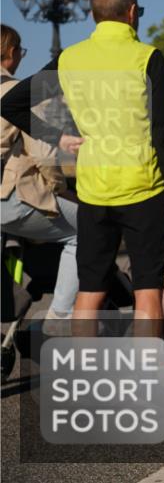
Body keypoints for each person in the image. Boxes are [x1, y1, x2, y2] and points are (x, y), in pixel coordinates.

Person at [1, 0, 164, 336]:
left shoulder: (71, 58)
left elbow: (11, 104)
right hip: (142, 188)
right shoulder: (147, 57)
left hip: (92, 190)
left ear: (92, 14)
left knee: (89, 292)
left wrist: (56, 136)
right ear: (133, 12)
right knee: (148, 292)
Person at [0, 24, 78, 323]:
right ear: (10, 52)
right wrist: (60, 190)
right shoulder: (19, 92)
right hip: (11, 197)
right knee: (89, 232)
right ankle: (60, 316)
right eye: (20, 51)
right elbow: (44, 154)